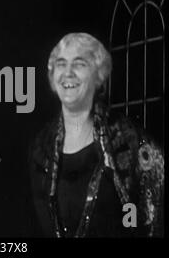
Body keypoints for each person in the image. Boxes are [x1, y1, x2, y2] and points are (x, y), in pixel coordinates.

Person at [29, 32, 164, 237]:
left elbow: (150, 221)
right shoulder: (40, 149)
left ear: (98, 75)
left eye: (79, 63)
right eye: (61, 63)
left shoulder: (131, 142)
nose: (68, 73)